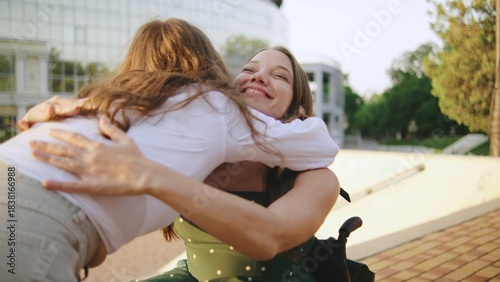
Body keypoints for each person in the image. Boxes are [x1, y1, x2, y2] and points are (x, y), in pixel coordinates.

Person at [0, 19, 338, 282]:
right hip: (37, 210)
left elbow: (269, 235)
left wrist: (149, 175)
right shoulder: (200, 117)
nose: (259, 77)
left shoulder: (314, 176)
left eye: (279, 76)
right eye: (248, 70)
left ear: (297, 103)